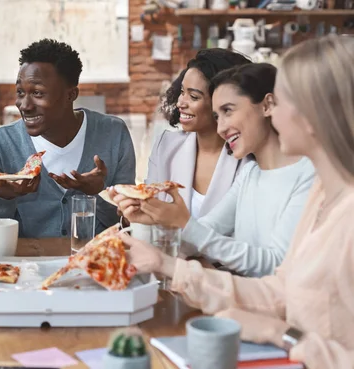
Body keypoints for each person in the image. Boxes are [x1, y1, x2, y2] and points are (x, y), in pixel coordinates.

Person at [119, 35, 354, 368]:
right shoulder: (322, 195)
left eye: (281, 101)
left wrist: (281, 333)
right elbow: (280, 290)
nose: (273, 111)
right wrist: (165, 262)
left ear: (315, 112)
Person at [113, 63, 315, 277]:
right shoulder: (250, 174)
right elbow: (203, 235)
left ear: (267, 106)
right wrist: (156, 221)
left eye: (228, 110)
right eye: (217, 116)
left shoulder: (308, 175)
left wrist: (184, 223)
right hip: (241, 304)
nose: (221, 128)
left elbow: (275, 264)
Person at [0, 39, 136, 238]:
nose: (24, 105)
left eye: (37, 93)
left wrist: (99, 192)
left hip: (97, 265)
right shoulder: (2, 143)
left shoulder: (113, 134)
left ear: (71, 95)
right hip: (23, 268)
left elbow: (130, 226)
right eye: (20, 92)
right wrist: (4, 197)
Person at [148, 49, 251, 219]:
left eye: (194, 97)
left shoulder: (248, 160)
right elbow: (149, 219)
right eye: (182, 92)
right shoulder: (166, 147)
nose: (181, 103)